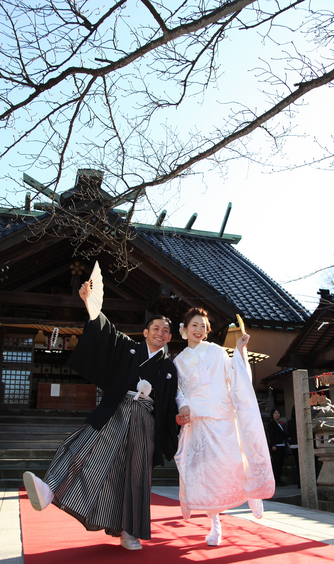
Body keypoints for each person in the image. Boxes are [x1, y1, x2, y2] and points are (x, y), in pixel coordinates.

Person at [23, 280, 178, 551]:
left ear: (169, 337)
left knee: (135, 476)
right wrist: (92, 306)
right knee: (81, 445)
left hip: (144, 421)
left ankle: (129, 532)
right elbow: (108, 333)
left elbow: (173, 402)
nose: (160, 333)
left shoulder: (168, 367)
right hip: (116, 410)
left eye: (166, 331)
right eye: (156, 328)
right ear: (145, 332)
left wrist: (179, 418)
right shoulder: (130, 349)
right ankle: (48, 490)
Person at [174, 308, 275, 546]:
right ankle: (215, 524)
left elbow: (234, 375)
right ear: (185, 328)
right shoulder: (178, 361)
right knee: (207, 476)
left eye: (203, 326)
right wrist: (183, 406)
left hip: (221, 419)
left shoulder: (217, 352)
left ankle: (253, 491)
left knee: (233, 463)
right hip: (197, 422)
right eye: (194, 325)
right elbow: (178, 391)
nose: (198, 330)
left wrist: (240, 350)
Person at [268, 407, 288, 487]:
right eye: (275, 413)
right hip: (276, 445)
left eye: (278, 413)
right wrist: (273, 444)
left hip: (282, 445)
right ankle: (276, 480)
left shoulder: (280, 424)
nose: (277, 415)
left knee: (281, 464)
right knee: (276, 464)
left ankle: (279, 480)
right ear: (272, 415)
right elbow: (271, 435)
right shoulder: (271, 424)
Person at [287, 406, 300, 488]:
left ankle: (299, 482)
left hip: (294, 444)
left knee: (297, 464)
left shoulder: (290, 422)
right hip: (302, 443)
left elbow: (288, 434)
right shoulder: (303, 420)